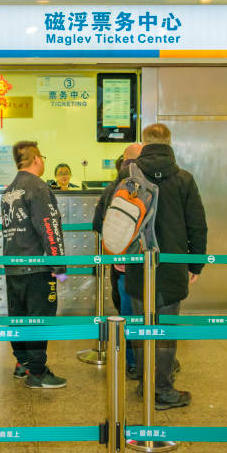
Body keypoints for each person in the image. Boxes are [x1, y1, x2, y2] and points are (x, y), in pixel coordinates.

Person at [125, 124, 207, 410]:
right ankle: (162, 391)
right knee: (165, 329)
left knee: (140, 325)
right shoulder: (184, 179)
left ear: (144, 143)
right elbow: (197, 224)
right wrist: (195, 263)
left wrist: (122, 256)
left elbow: (104, 220)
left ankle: (145, 385)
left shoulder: (129, 177)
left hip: (137, 263)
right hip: (172, 265)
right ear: (169, 142)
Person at [2, 140, 67, 389]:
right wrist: (59, 268)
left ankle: (23, 363)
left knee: (18, 317)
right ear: (37, 159)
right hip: (37, 268)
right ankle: (38, 373)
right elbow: (50, 229)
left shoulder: (9, 190)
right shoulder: (38, 188)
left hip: (13, 266)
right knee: (40, 319)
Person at [93, 143, 143, 378]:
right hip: (147, 264)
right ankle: (140, 362)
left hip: (120, 263)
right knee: (145, 314)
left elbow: (97, 222)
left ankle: (128, 361)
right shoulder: (148, 183)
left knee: (125, 313)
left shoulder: (114, 185)